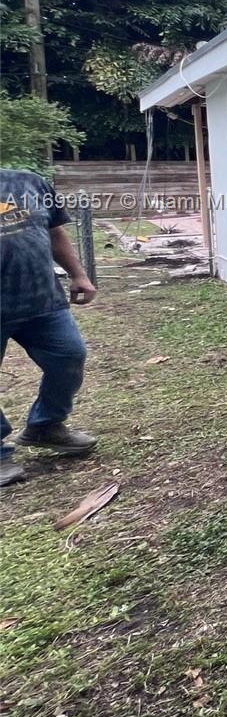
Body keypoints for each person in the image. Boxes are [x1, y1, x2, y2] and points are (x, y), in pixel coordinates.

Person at [1, 168, 98, 488]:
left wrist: (78, 274)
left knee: (68, 357)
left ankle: (45, 426)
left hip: (42, 302)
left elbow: (55, 233)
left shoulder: (29, 182)